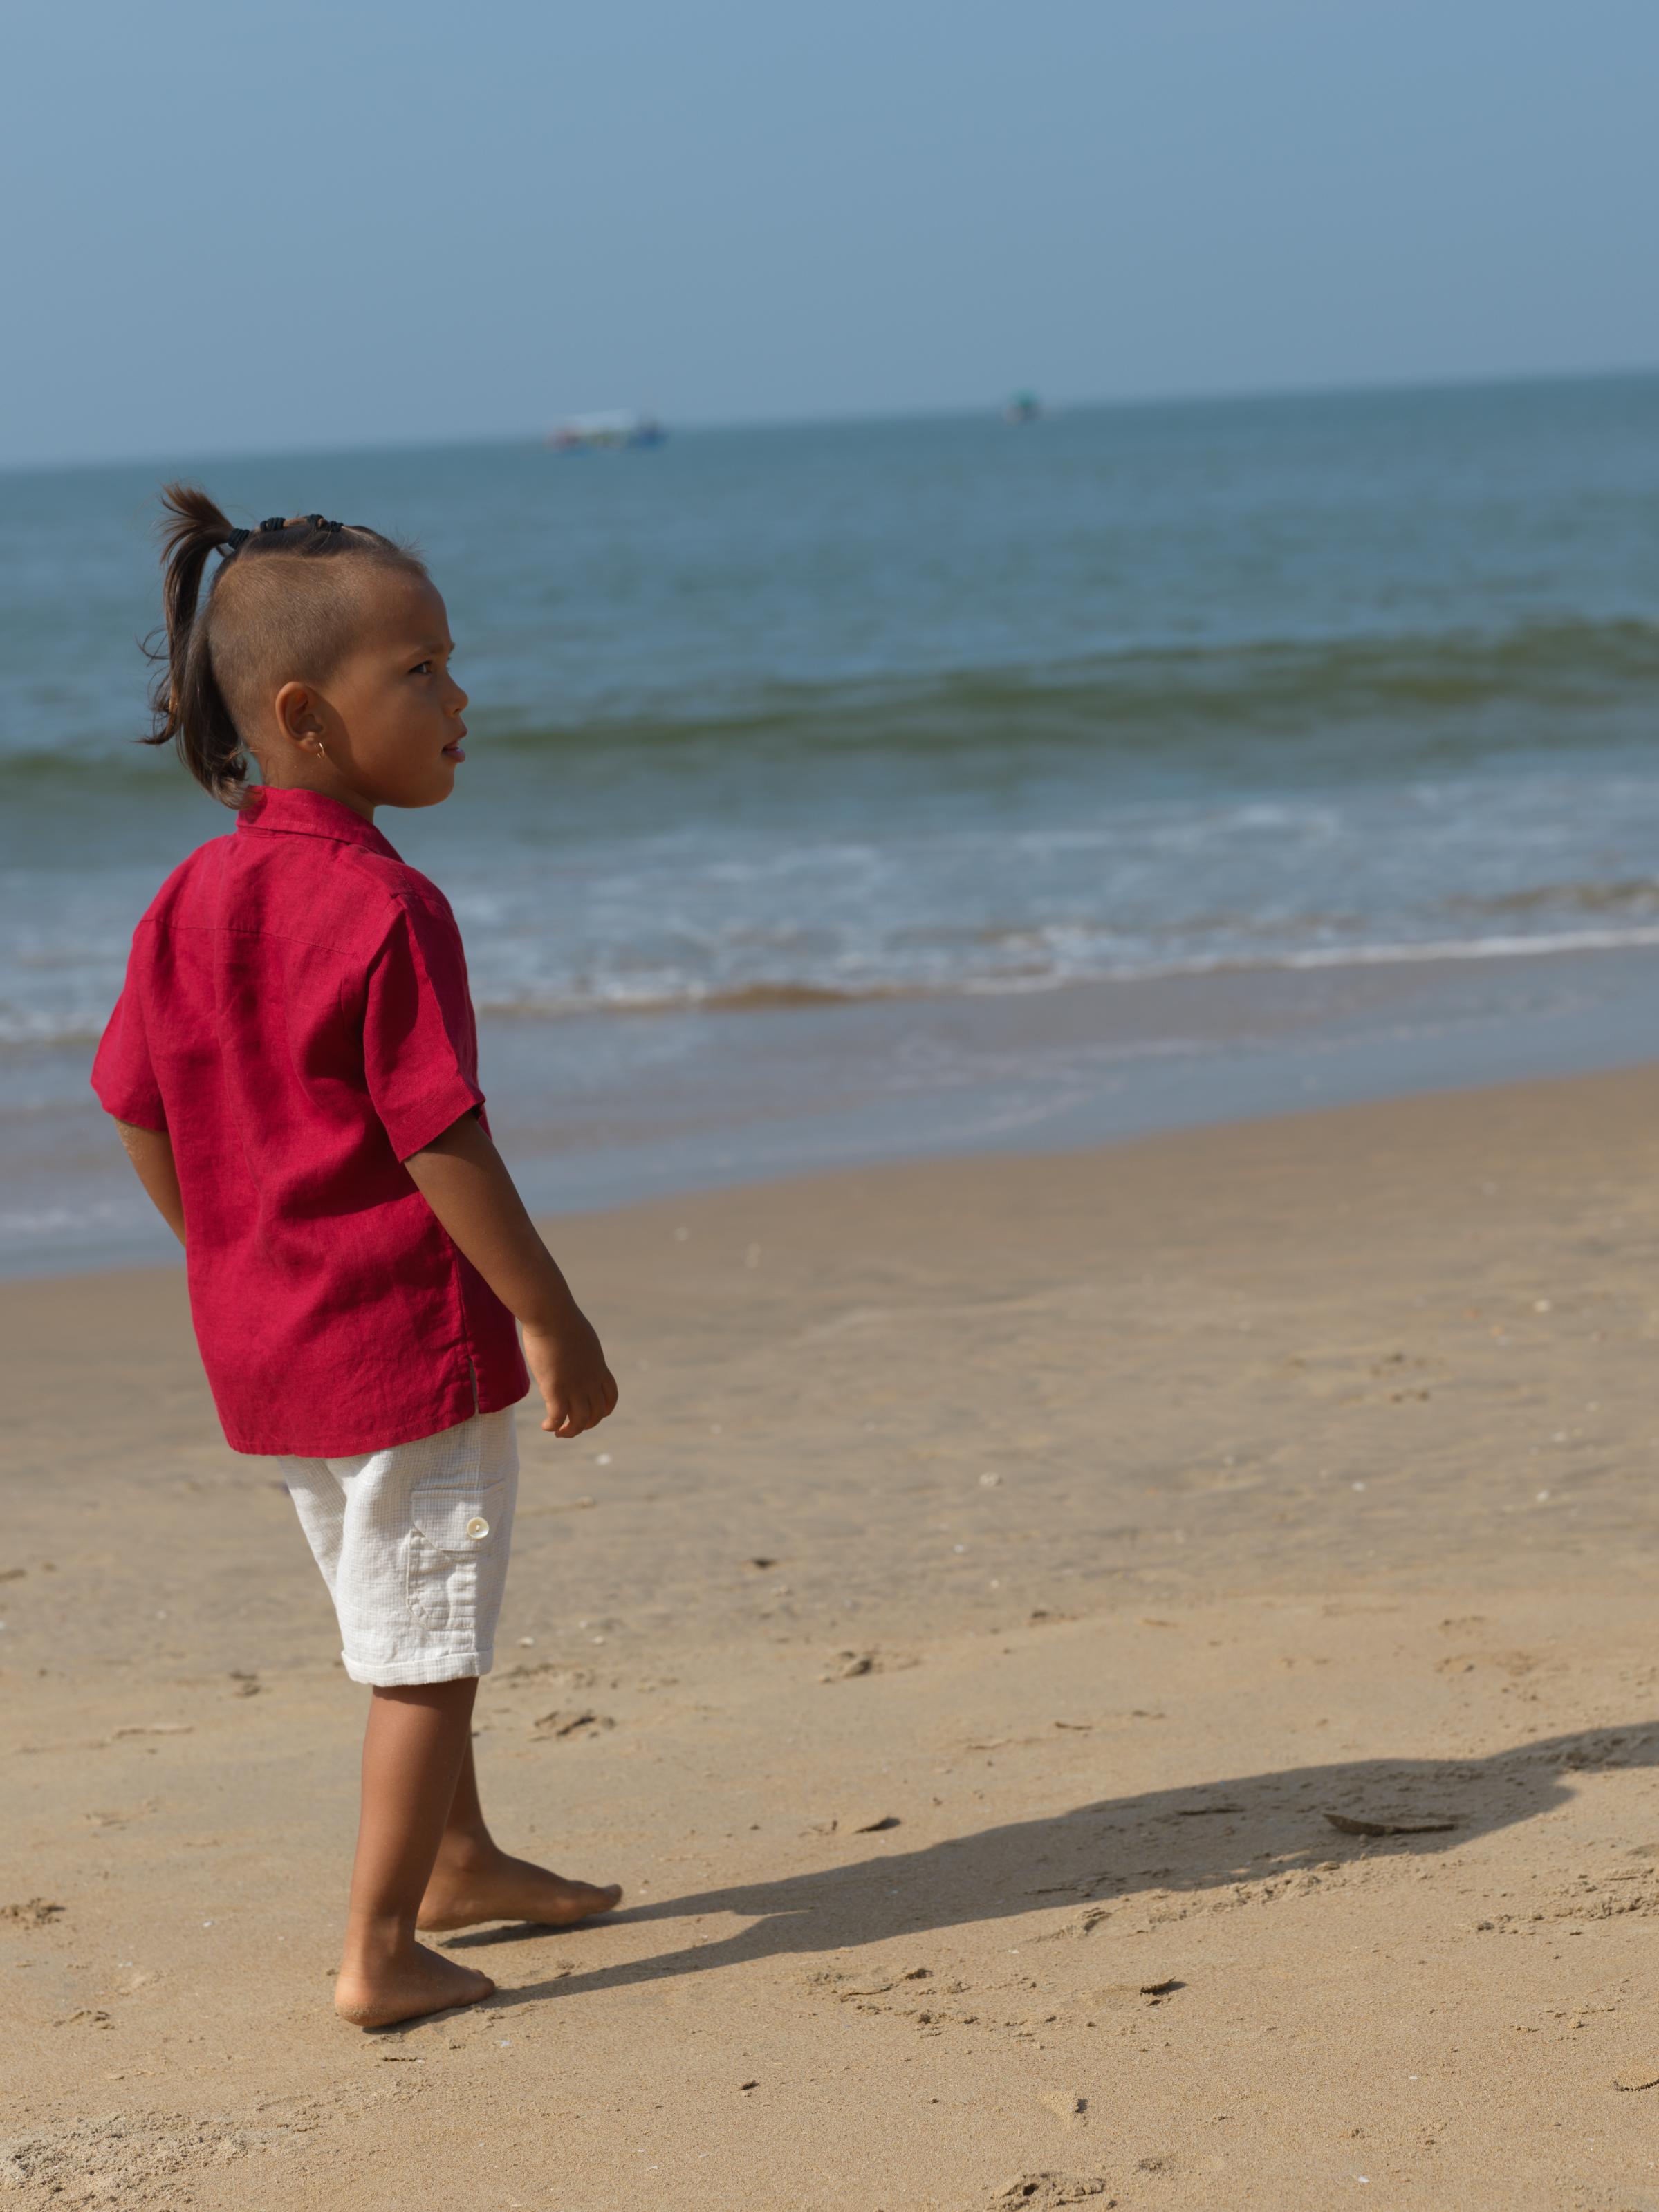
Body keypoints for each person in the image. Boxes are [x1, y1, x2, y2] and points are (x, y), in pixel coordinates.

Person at [91, 487, 621, 2029]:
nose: (460, 699)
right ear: (307, 717)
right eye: (423, 671)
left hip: (267, 1344)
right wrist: (550, 1313)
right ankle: (380, 1948)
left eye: (451, 663)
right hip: (401, 1345)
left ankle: (460, 1861)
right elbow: (440, 1132)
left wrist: (225, 1247)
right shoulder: (386, 904)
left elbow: (133, 1102)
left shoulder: (190, 894)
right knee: (424, 1652)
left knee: (397, 1606)